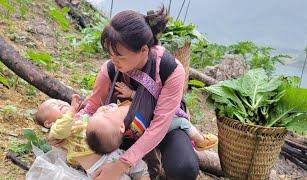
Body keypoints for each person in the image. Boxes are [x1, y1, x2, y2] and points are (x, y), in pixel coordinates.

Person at [78, 6, 203, 180]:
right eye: (111, 54)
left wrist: (121, 165)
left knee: (184, 168)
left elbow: (159, 125)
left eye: (120, 56)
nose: (114, 61)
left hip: (163, 127)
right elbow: (91, 108)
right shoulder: (110, 70)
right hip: (125, 130)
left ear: (144, 50)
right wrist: (67, 129)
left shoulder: (169, 70)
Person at [35, 95, 150, 180]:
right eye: (53, 105)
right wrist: (71, 110)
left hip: (113, 153)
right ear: (48, 123)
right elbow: (61, 130)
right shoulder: (57, 129)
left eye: (58, 100)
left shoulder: (80, 117)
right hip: (97, 166)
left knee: (140, 167)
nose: (59, 102)